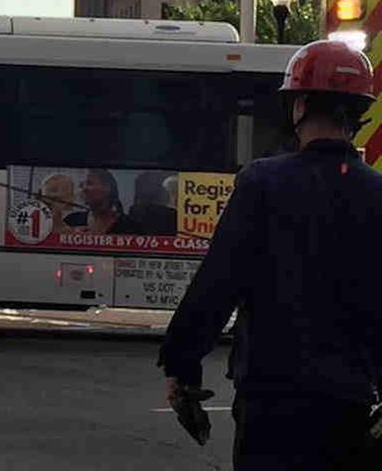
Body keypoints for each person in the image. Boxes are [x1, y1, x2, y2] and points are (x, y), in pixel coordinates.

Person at [158, 39, 382, 470]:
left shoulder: (262, 182)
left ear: (298, 106)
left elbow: (218, 282)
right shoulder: (378, 194)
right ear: (359, 113)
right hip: (347, 401)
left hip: (270, 397)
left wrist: (182, 365)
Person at [63, 169, 140, 235]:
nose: (84, 188)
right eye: (82, 185)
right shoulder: (71, 221)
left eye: (90, 183)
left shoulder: (130, 227)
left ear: (107, 188)